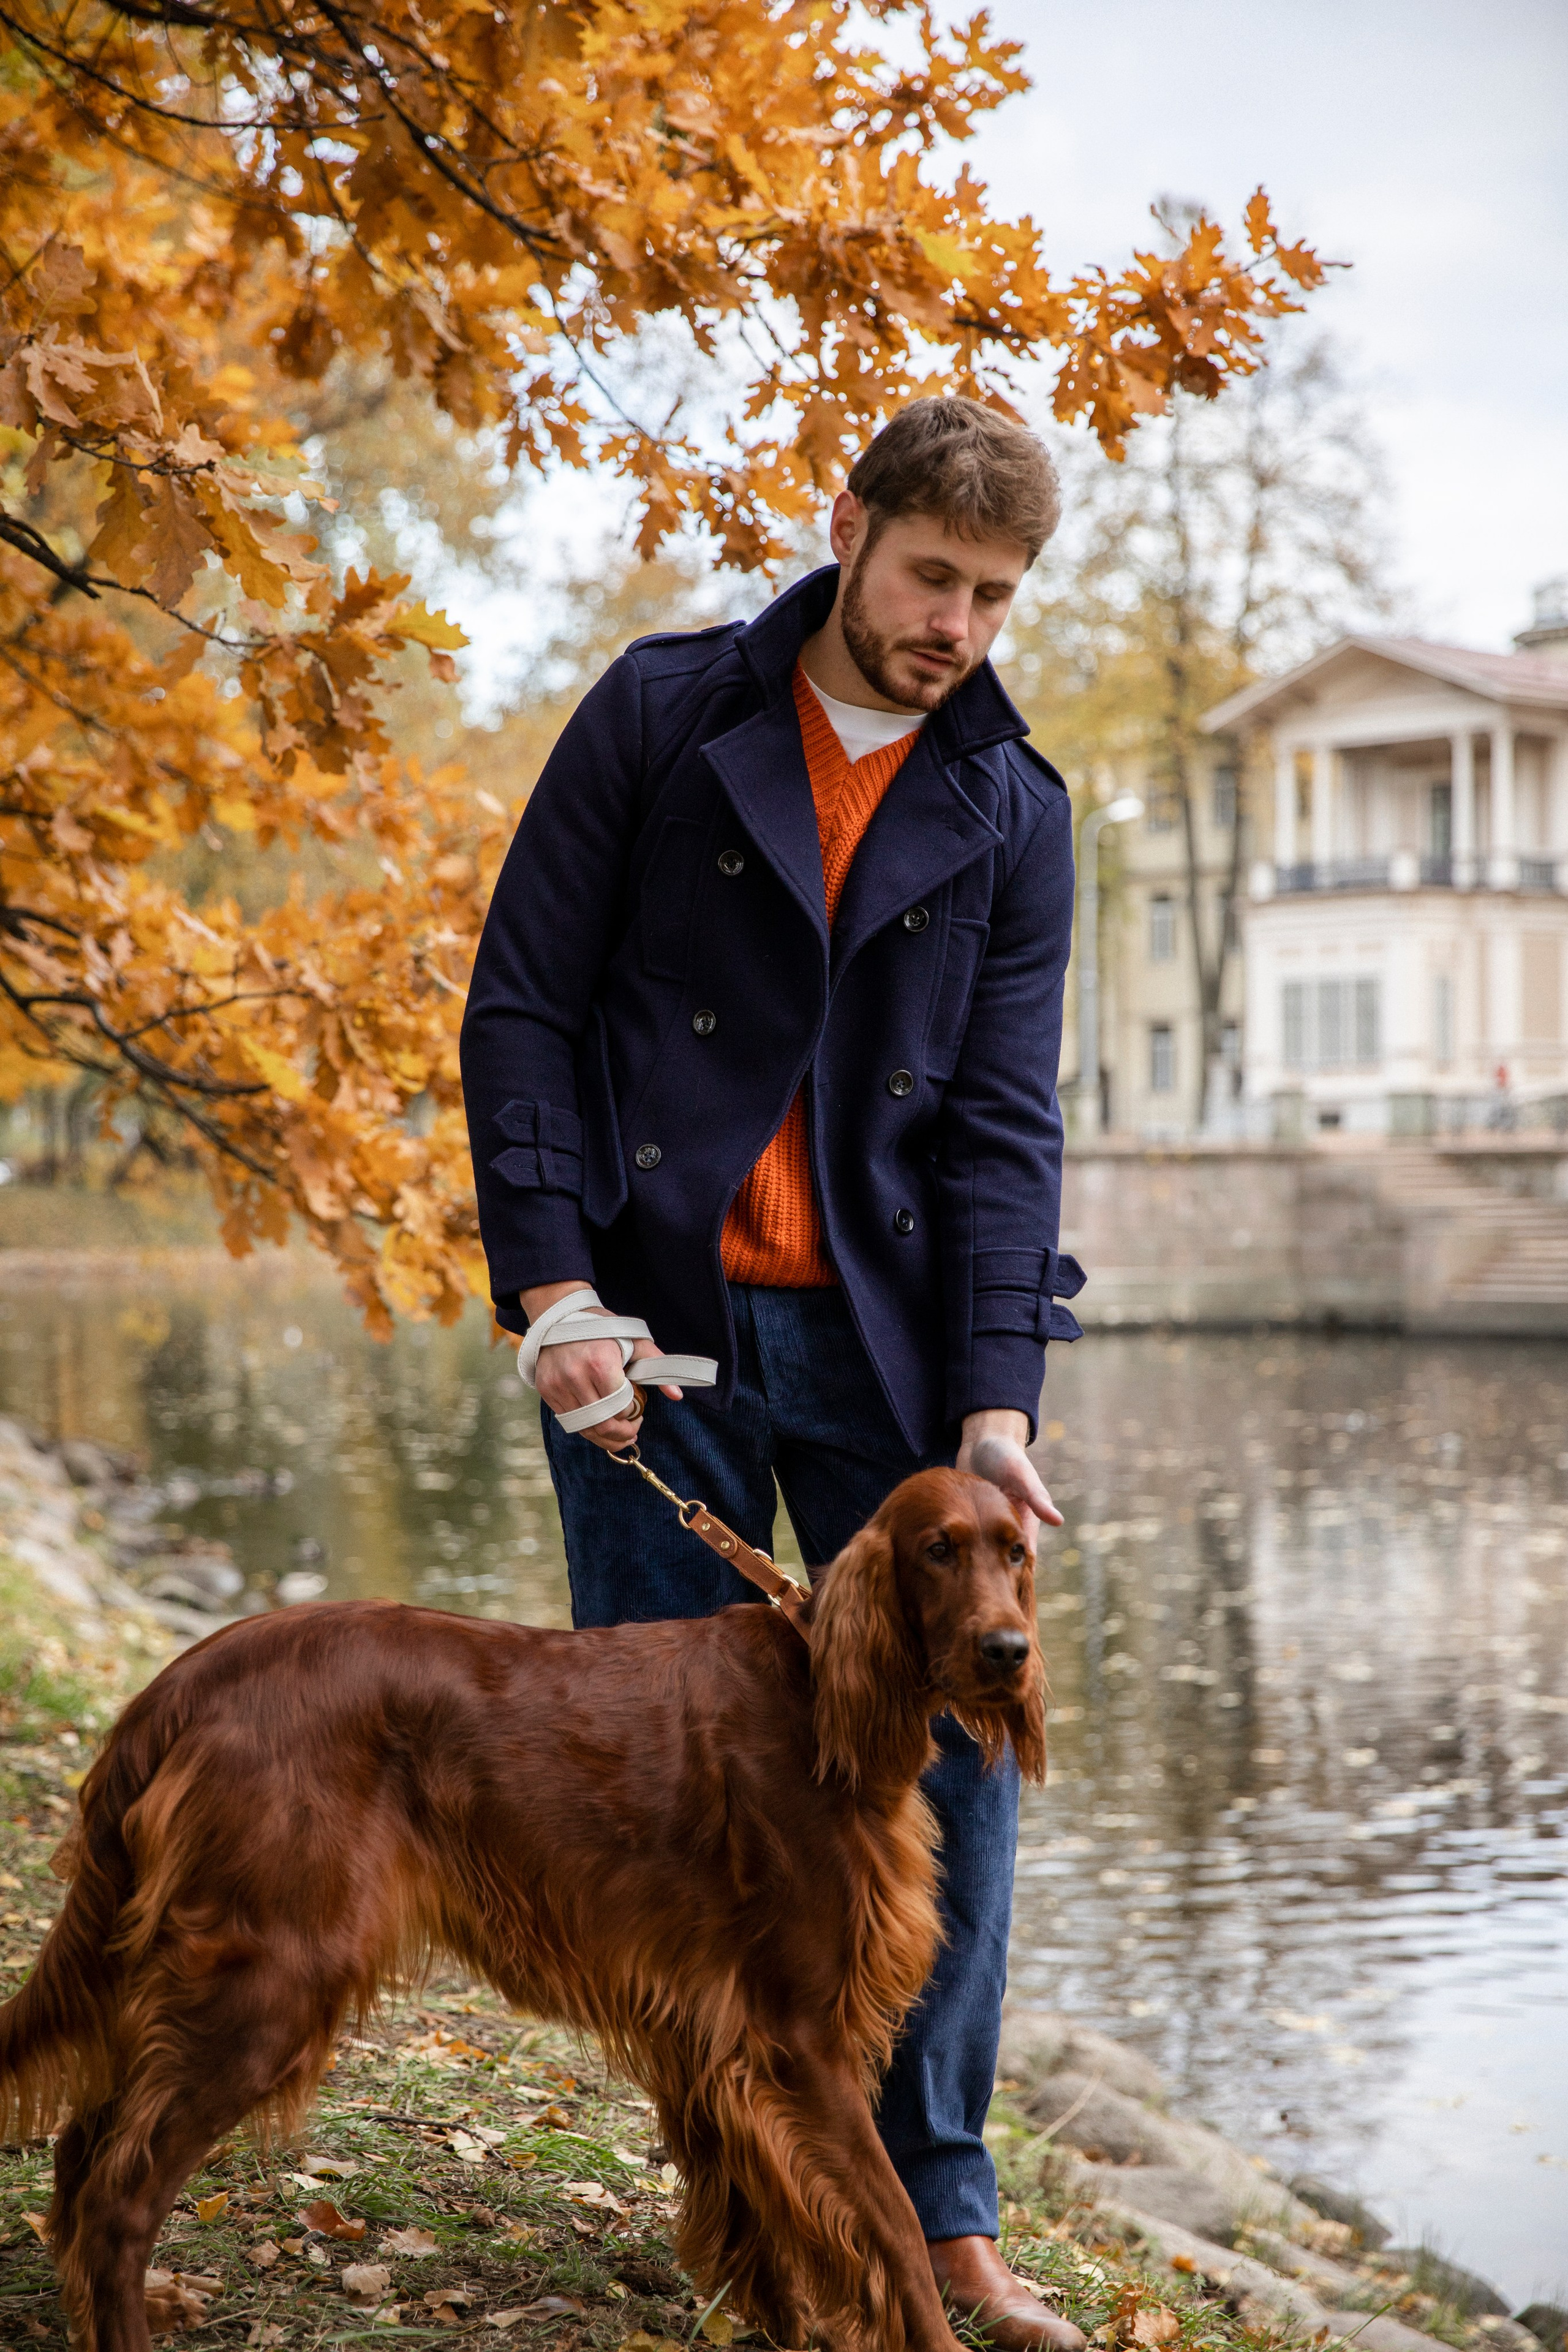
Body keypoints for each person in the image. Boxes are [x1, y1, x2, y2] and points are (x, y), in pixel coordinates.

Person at [462, 397, 1087, 2350]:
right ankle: (745, 2206)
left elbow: (999, 1127)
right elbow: (525, 1011)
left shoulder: (1018, 807)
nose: (957, 627)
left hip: (903, 1359)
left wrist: (999, 1408)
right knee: (672, 1798)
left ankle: (942, 2216)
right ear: (849, 532)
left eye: (993, 597)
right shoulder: (662, 717)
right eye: (931, 578)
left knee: (950, 1777)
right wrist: (554, 1288)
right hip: (656, 1330)